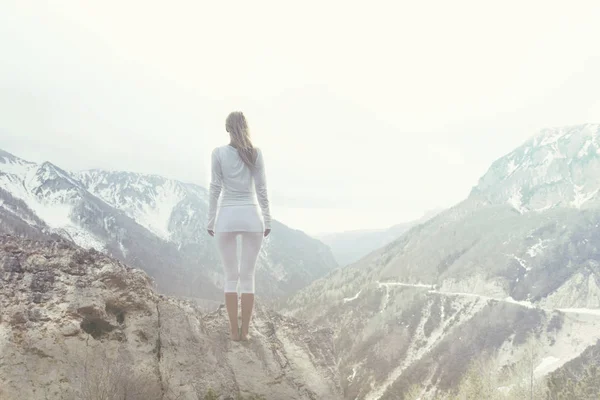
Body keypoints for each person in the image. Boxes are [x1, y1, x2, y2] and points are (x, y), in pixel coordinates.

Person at [207, 111, 272, 341]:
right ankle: (245, 333)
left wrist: (211, 219)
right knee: (248, 276)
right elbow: (262, 189)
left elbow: (215, 188)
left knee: (230, 276)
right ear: (246, 128)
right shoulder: (255, 154)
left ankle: (233, 331)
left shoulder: (218, 154)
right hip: (252, 216)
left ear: (227, 129)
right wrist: (268, 218)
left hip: (226, 217)